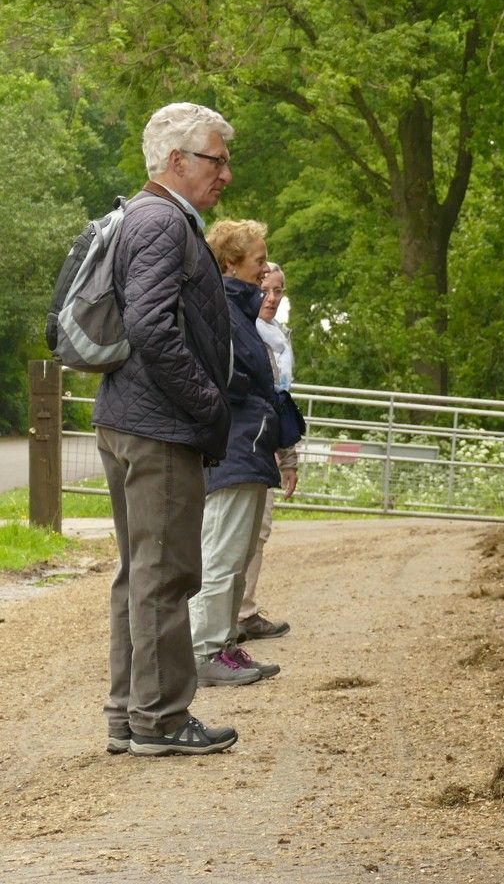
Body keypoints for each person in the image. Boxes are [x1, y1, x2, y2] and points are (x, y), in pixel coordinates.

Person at [93, 102, 239, 757]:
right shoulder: (160, 222)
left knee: (142, 574)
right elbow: (152, 326)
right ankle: (160, 719)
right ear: (176, 160)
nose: (226, 174)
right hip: (159, 428)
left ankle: (130, 714)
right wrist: (207, 403)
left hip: (134, 418)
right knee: (165, 575)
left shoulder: (146, 216)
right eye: (217, 158)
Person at [189, 220, 283, 687]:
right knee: (222, 556)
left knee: (237, 554)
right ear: (230, 264)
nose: (265, 272)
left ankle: (224, 644)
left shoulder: (239, 314)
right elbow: (229, 380)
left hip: (249, 446)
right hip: (234, 449)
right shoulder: (222, 314)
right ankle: (204, 650)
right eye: (259, 262)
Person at [237, 262, 294, 641]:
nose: (271, 298)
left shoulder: (279, 338)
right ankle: (229, 617)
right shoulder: (242, 330)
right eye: (265, 289)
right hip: (241, 445)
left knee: (259, 531)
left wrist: (288, 456)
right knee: (234, 531)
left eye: (278, 291)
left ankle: (243, 610)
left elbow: (283, 399)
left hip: (267, 446)